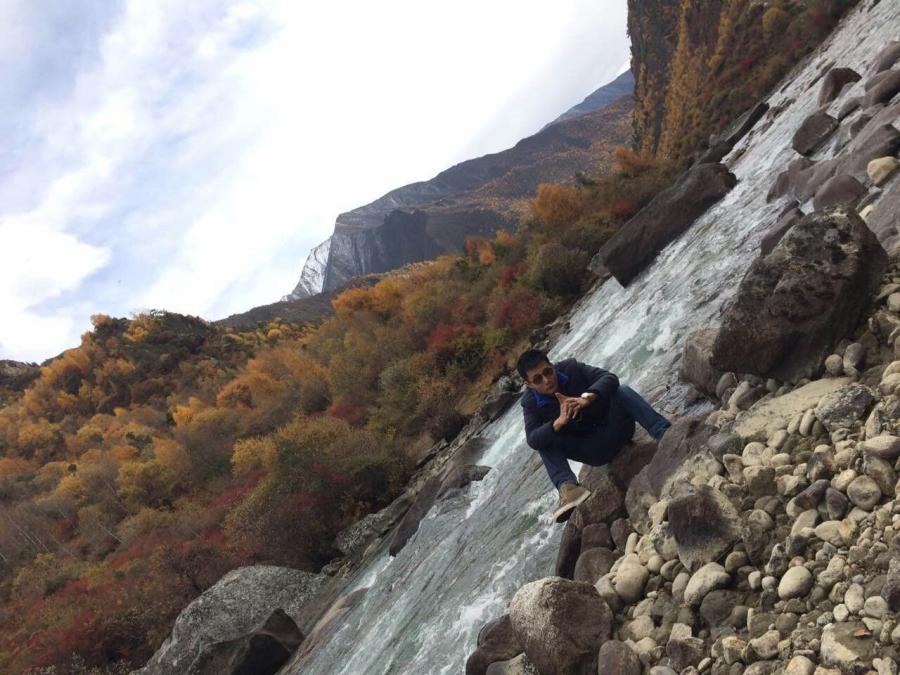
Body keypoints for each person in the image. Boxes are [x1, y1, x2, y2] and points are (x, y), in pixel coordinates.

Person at [517, 349, 672, 523]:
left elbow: (610, 377)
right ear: (529, 384)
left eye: (547, 372)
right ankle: (569, 488)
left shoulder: (571, 368)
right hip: (593, 451)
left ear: (552, 365)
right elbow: (532, 438)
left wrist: (587, 397)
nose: (547, 380)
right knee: (543, 440)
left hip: (616, 428)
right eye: (538, 379)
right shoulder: (530, 403)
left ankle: (666, 434)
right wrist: (558, 423)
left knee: (622, 390)